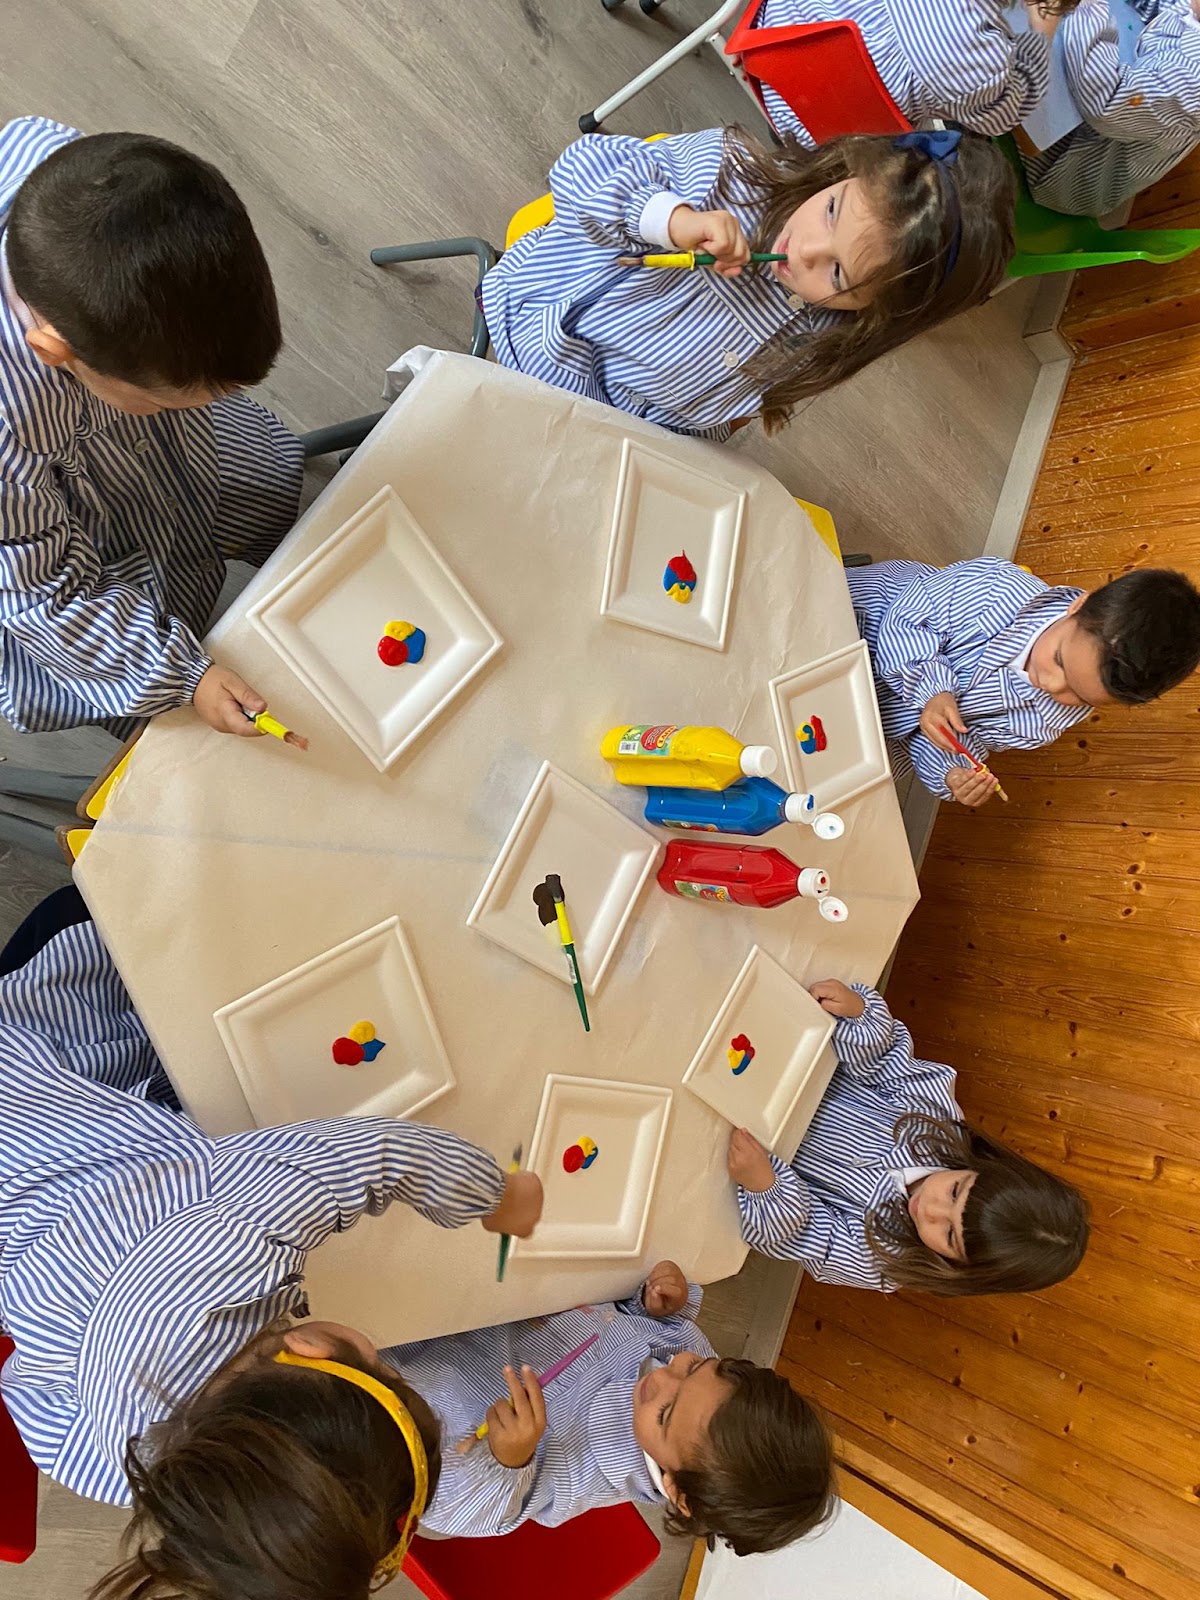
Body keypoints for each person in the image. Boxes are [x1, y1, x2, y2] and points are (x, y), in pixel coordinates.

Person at [0, 911, 542, 1600]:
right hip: (34, 1210)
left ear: (314, 1345)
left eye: (382, 1368)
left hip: (39, 1063)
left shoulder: (227, 1248)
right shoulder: (117, 1470)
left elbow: (369, 1156)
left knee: (181, 927)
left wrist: (497, 1196)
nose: (386, 1357)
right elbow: (22, 1386)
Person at [0, 115, 302, 742]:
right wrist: (187, 676)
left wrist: (175, 404)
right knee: (162, 701)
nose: (199, 403)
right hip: (70, 545)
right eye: (166, 401)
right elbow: (44, 596)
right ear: (54, 352)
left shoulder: (83, 185)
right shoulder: (10, 428)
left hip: (173, 458)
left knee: (268, 492)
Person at [478, 125, 1015, 441]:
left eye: (838, 274)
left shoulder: (829, 333)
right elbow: (581, 167)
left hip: (598, 430)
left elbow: (727, 408)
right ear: (846, 173)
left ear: (881, 310)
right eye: (831, 210)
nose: (804, 250)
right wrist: (673, 220)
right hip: (530, 329)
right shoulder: (726, 171)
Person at [378, 1261, 834, 1555]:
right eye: (696, 1367)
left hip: (399, 1372)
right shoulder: (692, 1383)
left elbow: (452, 1512)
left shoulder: (578, 1474)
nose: (663, 1375)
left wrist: (507, 1458)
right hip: (481, 1298)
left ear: (677, 1490)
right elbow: (638, 1322)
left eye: (665, 1414)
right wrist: (658, 1304)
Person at [727, 978, 1090, 1293]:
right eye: (954, 1191)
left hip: (739, 1155)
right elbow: (886, 1062)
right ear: (981, 1167)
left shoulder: (883, 1262)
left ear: (961, 1270)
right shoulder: (937, 1122)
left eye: (949, 1235)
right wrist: (860, 1016)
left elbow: (803, 1236)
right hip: (764, 1063)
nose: (931, 1209)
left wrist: (765, 1187)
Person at [846, 557, 1200, 805]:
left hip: (880, 723)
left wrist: (953, 773)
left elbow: (950, 738)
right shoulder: (996, 588)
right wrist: (932, 691)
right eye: (1059, 660)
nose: (1052, 685)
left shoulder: (1044, 721)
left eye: (1079, 696)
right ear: (1079, 606)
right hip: (861, 621)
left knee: (853, 780)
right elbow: (905, 621)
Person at [751, 0, 1076, 143]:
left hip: (763, 42)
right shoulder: (983, 61)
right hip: (815, 132)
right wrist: (1042, 28)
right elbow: (1003, 117)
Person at [1021, 0, 1200, 217]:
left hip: (1068, 169)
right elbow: (1159, 5)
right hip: (1097, 78)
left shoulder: (1193, 79)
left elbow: (1105, 103)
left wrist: (1087, 5)